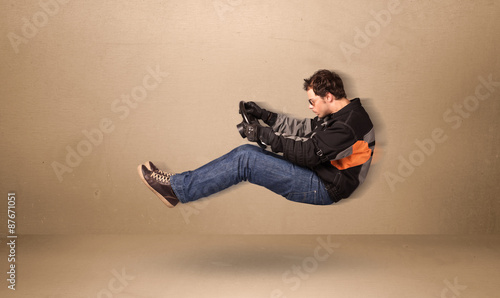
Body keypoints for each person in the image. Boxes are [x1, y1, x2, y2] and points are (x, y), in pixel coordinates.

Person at [137, 69, 375, 208]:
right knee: (247, 155)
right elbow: (303, 128)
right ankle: (179, 184)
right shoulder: (342, 114)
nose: (310, 106)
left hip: (324, 187)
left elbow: (308, 154)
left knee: (246, 159)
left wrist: (263, 135)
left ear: (329, 96)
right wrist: (266, 116)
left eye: (312, 101)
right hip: (321, 173)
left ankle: (177, 190)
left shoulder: (347, 125)